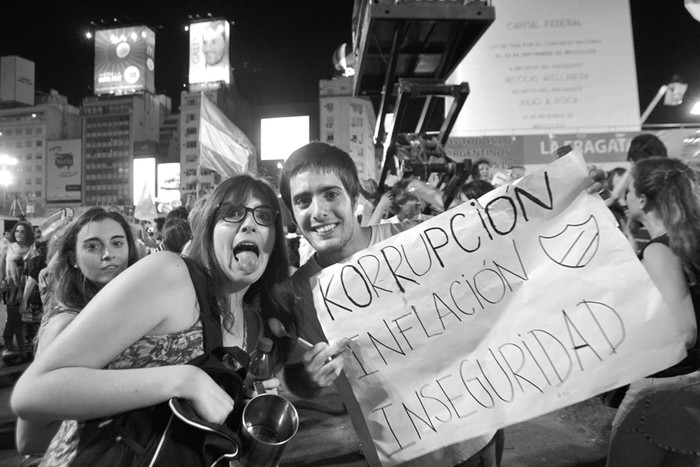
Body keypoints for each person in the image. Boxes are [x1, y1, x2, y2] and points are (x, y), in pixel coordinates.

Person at [12, 174, 296, 465]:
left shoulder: (252, 320)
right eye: (232, 214)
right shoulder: (170, 274)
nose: (249, 224)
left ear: (275, 240)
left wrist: (238, 400)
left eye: (263, 216)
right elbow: (32, 392)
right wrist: (182, 379)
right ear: (208, 229)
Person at [278, 141, 499, 466]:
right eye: (302, 200)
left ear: (353, 197)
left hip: (470, 439)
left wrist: (574, 196)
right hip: (397, 454)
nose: (318, 210)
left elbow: (503, 248)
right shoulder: (297, 294)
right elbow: (296, 377)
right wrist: (309, 379)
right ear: (293, 214)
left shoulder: (417, 238)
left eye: (330, 194)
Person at [15, 207, 139, 461]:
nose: (108, 255)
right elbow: (28, 438)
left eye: (117, 243)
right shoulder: (67, 324)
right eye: (92, 246)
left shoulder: (122, 311)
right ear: (72, 257)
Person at [606, 157, 700, 466]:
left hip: (663, 390)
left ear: (643, 199)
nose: (625, 196)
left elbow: (684, 332)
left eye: (630, 189)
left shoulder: (660, 249)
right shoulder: (688, 240)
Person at [0, 221, 36, 364]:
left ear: (27, 234)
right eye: (17, 231)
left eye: (22, 232)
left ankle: (19, 352)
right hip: (10, 288)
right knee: (14, 319)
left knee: (19, 322)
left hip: (25, 288)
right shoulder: (8, 247)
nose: (19, 234)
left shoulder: (31, 249)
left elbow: (33, 271)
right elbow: (1, 266)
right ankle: (11, 347)